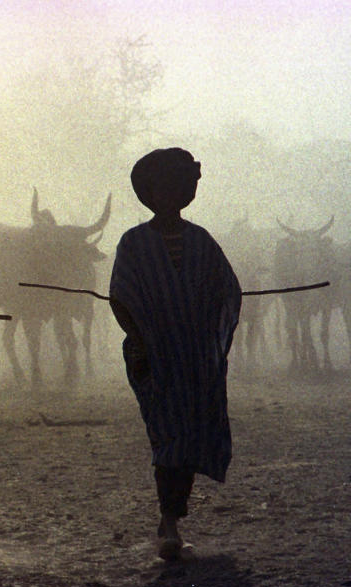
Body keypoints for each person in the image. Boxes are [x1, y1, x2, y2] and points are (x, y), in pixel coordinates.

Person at [108, 148, 242, 561]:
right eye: (166, 187)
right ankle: (169, 520)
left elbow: (227, 290)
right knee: (168, 434)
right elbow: (121, 299)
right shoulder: (133, 243)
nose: (173, 195)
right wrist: (144, 338)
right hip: (153, 359)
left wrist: (208, 326)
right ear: (152, 194)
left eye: (180, 187)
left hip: (196, 359)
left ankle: (172, 517)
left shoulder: (201, 241)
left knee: (187, 434)